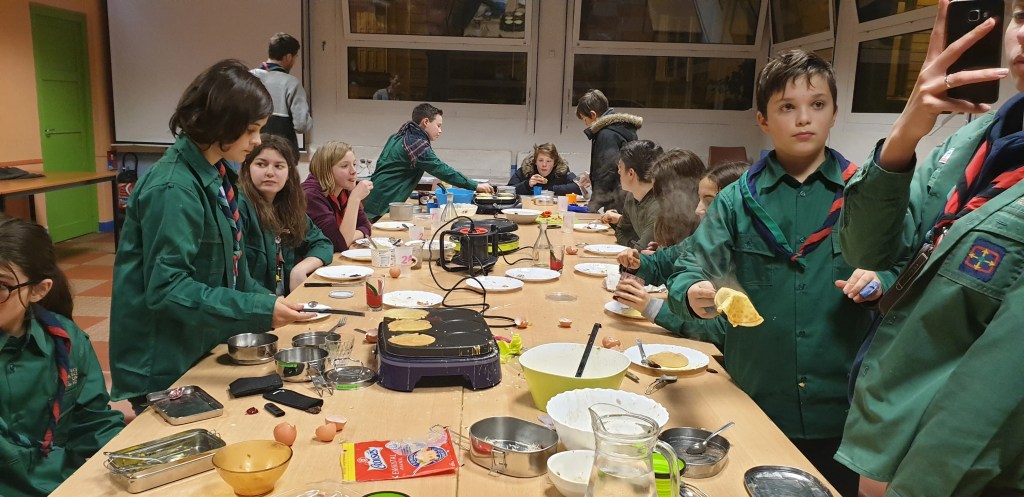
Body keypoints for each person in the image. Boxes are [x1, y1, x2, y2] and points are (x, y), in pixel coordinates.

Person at [623, 50, 895, 497]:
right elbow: (691, 265)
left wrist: (882, 281)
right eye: (787, 106)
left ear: (834, 114)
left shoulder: (864, 193)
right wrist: (691, 292)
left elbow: (903, 264)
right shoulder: (737, 201)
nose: (803, 118)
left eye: (817, 104)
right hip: (754, 402)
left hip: (842, 412)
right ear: (763, 120)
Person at [837, 2, 1024, 495]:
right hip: (885, 427)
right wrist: (908, 128)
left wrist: (907, 485)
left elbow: (1002, 383)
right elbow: (866, 249)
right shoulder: (975, 140)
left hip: (951, 476)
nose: (1022, 35)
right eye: (1022, 15)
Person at [110, 60, 311, 411]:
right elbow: (168, 289)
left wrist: (270, 301)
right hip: (164, 362)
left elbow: (232, 270)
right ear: (222, 123)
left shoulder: (216, 176)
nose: (257, 141)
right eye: (251, 130)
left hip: (198, 344)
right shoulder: (173, 187)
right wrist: (258, 308)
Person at [0, 216, 125, 496]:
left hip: (62, 485)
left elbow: (92, 422)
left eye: (0, 286)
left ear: (39, 290)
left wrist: (138, 460)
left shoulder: (67, 341)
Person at [239, 134, 334, 295]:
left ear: (289, 172)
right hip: (257, 303)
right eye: (261, 164)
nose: (270, 172)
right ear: (247, 168)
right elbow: (238, 278)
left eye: (279, 166)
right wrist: (273, 303)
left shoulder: (288, 206)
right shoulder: (239, 206)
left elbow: (322, 243)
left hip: (286, 299)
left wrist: (300, 269)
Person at [364, 103, 494, 220]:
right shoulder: (416, 144)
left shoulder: (397, 137)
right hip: (383, 203)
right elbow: (440, 169)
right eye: (438, 125)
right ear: (426, 122)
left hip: (373, 196)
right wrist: (474, 185)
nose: (440, 130)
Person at [576, 89, 642, 212]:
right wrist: (593, 176)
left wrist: (592, 206)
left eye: (585, 120)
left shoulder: (606, 134)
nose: (586, 124)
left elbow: (607, 172)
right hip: (627, 197)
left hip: (617, 201)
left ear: (593, 115)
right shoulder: (622, 129)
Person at [303, 141, 374, 252]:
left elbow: (366, 226)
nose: (354, 171)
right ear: (326, 169)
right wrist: (355, 199)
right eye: (345, 166)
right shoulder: (310, 195)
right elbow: (338, 244)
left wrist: (349, 236)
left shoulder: (343, 188)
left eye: (354, 164)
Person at [250, 33, 312, 155]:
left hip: (252, 151)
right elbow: (302, 125)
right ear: (288, 57)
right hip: (283, 154)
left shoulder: (248, 77)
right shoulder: (292, 83)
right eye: (295, 57)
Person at [600, 140, 664, 249]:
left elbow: (643, 249)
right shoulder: (632, 195)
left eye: (620, 167)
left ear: (631, 173)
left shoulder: (659, 206)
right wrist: (634, 245)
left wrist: (636, 247)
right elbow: (621, 232)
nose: (618, 171)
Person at [507, 143, 582, 196]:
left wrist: (552, 189)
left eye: (548, 161)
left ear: (554, 163)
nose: (544, 165)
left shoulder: (562, 171)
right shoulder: (526, 170)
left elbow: (579, 187)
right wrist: (527, 184)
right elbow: (507, 191)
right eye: (540, 160)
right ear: (535, 161)